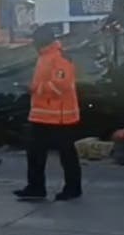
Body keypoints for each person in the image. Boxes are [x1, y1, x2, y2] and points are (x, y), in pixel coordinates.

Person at [15, 25, 82, 202]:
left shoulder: (61, 58)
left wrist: (33, 88)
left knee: (67, 155)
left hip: (61, 117)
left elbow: (61, 85)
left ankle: (73, 188)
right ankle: (35, 187)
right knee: (35, 154)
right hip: (41, 115)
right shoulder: (43, 57)